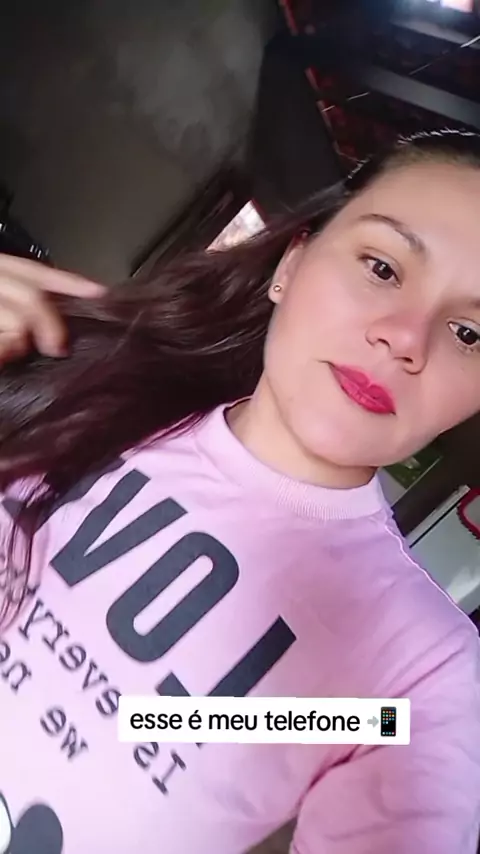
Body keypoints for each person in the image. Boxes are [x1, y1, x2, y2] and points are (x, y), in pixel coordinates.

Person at [0, 127, 479, 854]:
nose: (407, 339)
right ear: (292, 264)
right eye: (382, 267)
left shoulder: (418, 674)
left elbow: (166, 723)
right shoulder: (91, 380)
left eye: (471, 334)